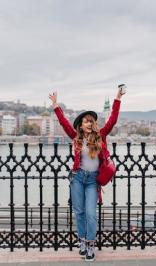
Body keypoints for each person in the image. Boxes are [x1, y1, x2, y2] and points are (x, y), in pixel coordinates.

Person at [49, 87, 125, 262]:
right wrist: (55, 106)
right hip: (77, 178)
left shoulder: (101, 136)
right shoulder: (76, 137)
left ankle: (91, 244)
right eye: (86, 122)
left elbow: (112, 120)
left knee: (91, 213)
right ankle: (82, 241)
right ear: (81, 125)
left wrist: (117, 98)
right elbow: (64, 124)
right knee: (79, 212)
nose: (89, 124)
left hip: (92, 181)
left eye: (91, 121)